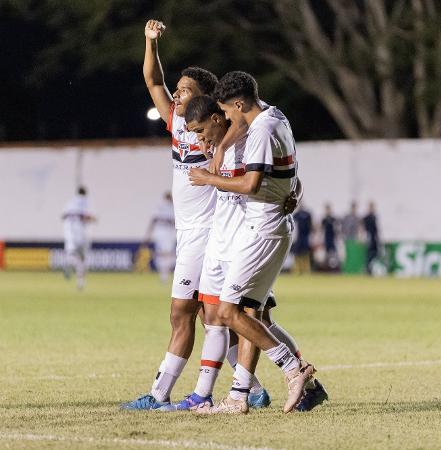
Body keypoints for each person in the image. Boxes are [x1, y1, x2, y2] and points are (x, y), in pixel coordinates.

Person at [159, 95, 327, 413]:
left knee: (244, 317)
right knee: (228, 320)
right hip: (218, 245)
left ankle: (241, 392)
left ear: (219, 116)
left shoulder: (251, 137)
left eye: (200, 129)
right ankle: (298, 385)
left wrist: (294, 194)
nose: (199, 137)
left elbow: (289, 178)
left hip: (247, 243)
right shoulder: (212, 149)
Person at [121, 20, 242, 411]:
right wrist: (150, 42)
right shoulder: (176, 119)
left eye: (187, 89)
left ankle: (161, 394)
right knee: (214, 315)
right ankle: (248, 384)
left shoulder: (222, 128)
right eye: (179, 88)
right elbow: (153, 79)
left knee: (186, 312)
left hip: (208, 232)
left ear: (207, 100)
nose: (177, 92)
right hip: (188, 230)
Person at [61, 186, 96, 290]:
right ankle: (81, 282)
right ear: (85, 194)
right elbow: (90, 217)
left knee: (71, 255)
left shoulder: (70, 203)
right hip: (82, 234)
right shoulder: (86, 203)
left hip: (70, 234)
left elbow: (63, 216)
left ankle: (70, 265)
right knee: (83, 259)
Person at [142, 191, 176, 283]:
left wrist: (148, 235)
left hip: (163, 233)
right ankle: (164, 274)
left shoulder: (162, 206)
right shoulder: (170, 207)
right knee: (166, 254)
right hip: (166, 233)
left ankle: (164, 274)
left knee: (164, 254)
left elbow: (153, 221)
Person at [292, 204, 313, 274]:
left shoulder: (307, 214)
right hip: (299, 237)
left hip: (305, 237)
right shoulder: (297, 214)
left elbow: (311, 225)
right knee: (298, 253)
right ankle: (298, 269)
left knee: (305, 253)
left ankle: (306, 269)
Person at [362, 201, 380, 274]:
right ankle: (367, 268)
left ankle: (370, 267)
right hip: (369, 237)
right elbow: (362, 227)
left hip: (374, 238)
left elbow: (377, 229)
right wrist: (362, 236)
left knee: (375, 253)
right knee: (369, 254)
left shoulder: (375, 216)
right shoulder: (366, 217)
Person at [321, 203, 339, 270]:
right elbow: (321, 229)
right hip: (326, 238)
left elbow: (337, 229)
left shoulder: (333, 219)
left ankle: (335, 267)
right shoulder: (324, 219)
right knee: (326, 253)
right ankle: (326, 268)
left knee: (334, 253)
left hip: (332, 238)